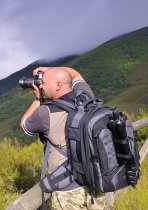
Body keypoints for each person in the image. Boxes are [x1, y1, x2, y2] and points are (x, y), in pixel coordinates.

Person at [20, 67, 106, 209]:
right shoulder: (86, 96)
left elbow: (24, 125)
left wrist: (37, 98)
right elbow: (75, 74)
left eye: (43, 82)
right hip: (96, 181)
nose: (40, 85)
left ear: (58, 85)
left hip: (68, 190)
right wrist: (50, 70)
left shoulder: (44, 113)